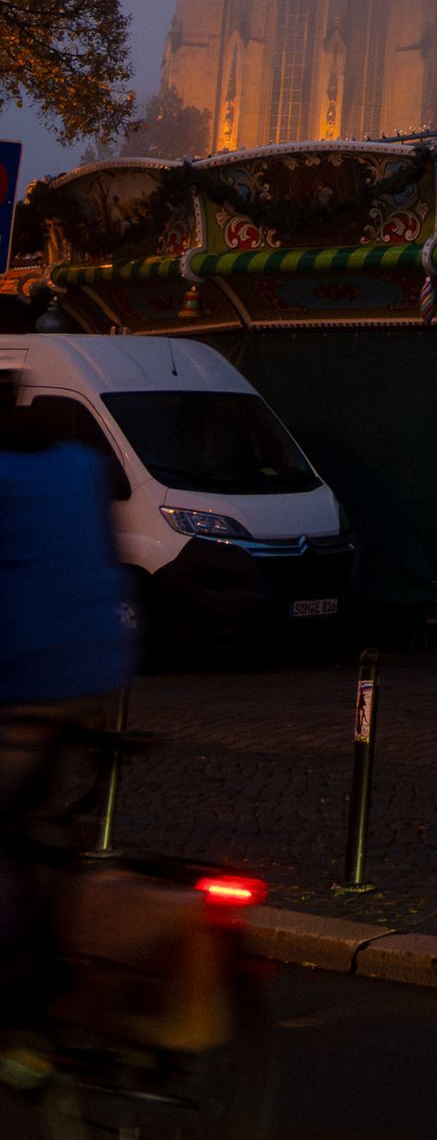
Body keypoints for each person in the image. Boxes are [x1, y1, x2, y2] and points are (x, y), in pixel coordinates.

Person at [0, 395, 137, 1037]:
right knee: (33, 823)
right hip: (102, 667)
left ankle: (37, 992)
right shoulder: (80, 464)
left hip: (27, 676)